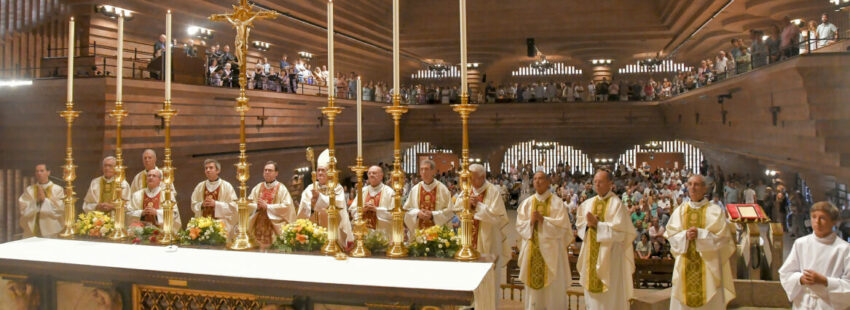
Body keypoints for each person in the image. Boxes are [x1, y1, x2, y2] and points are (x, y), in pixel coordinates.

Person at [665, 175, 736, 309]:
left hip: (708, 267)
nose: (693, 188)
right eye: (690, 184)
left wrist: (701, 234)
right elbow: (671, 236)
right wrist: (685, 235)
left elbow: (723, 239)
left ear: (705, 189)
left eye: (697, 184)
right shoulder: (680, 210)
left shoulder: (714, 211)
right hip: (685, 265)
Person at [449, 164, 511, 308]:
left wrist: (478, 206)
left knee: (487, 283)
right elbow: (457, 209)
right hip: (468, 242)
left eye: (472, 177)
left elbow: (498, 218)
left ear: (482, 177)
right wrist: (467, 205)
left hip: (487, 242)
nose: (469, 180)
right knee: (467, 279)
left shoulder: (493, 191)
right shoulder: (467, 190)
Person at [576, 169, 636, 309]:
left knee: (609, 300)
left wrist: (598, 225)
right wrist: (587, 226)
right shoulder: (588, 204)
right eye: (595, 182)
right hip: (590, 256)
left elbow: (622, 233)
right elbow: (580, 227)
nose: (597, 185)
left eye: (601, 182)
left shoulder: (617, 205)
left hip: (610, 258)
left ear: (610, 184)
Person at [516, 171, 573, 309]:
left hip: (552, 254)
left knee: (552, 293)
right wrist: (531, 221)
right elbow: (519, 226)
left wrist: (543, 220)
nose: (538, 181)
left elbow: (562, 228)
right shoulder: (527, 203)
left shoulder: (557, 202)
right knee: (534, 296)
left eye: (541, 179)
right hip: (532, 252)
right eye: (535, 179)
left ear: (548, 182)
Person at [779, 201, 850, 309]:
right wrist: (800, 279)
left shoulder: (844, 249)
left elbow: (848, 285)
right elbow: (786, 273)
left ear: (834, 222)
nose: (817, 222)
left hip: (827, 305)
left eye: (822, 218)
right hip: (803, 303)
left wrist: (825, 281)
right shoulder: (801, 243)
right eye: (814, 217)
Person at [298, 149, 354, 248]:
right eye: (318, 170)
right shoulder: (310, 188)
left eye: (323, 170)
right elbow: (303, 209)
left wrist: (319, 197)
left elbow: (338, 204)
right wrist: (310, 205)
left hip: (333, 231)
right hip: (313, 229)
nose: (320, 173)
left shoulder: (336, 187)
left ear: (329, 173)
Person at [247, 161, 296, 247]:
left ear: (276, 173)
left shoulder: (281, 188)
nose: (267, 172)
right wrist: (256, 207)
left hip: (273, 230)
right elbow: (249, 203)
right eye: (265, 170)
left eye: (270, 170)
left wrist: (268, 207)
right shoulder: (257, 187)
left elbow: (287, 207)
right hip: (258, 227)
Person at [403, 159, 453, 239]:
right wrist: (417, 213)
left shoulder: (442, 189)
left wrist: (433, 215)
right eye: (421, 169)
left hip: (438, 237)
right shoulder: (415, 189)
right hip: (418, 235)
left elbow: (450, 212)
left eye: (426, 169)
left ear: (433, 171)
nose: (423, 172)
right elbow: (406, 210)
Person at [190, 159, 238, 236]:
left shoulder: (227, 186)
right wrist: (202, 204)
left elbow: (233, 207)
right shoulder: (200, 186)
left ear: (218, 170)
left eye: (211, 167)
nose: (208, 170)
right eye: (206, 168)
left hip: (221, 227)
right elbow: (193, 205)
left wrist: (216, 204)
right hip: (202, 227)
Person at [18, 164, 65, 237]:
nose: (39, 173)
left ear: (48, 172)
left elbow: (60, 210)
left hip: (51, 229)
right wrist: (36, 202)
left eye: (42, 171)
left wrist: (45, 201)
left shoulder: (57, 189)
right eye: (37, 171)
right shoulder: (29, 190)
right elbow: (23, 209)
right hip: (32, 231)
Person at [348, 165, 395, 237]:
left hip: (382, 234)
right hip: (363, 232)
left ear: (381, 176)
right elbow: (352, 210)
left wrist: (377, 210)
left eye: (374, 173)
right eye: (369, 173)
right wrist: (362, 210)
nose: (371, 175)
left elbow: (394, 214)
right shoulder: (363, 191)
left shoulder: (389, 192)